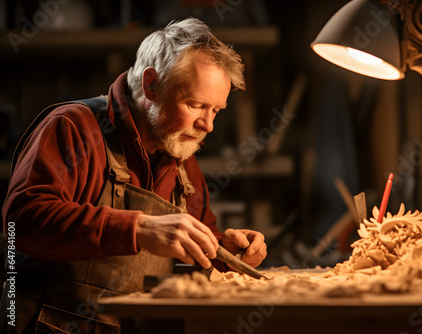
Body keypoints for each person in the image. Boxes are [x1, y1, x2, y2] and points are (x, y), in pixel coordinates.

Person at [1, 17, 267, 333]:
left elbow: (193, 243)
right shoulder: (74, 128)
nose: (207, 125)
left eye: (215, 110)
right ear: (151, 84)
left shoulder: (181, 156)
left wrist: (226, 250)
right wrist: (138, 228)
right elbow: (20, 222)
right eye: (195, 105)